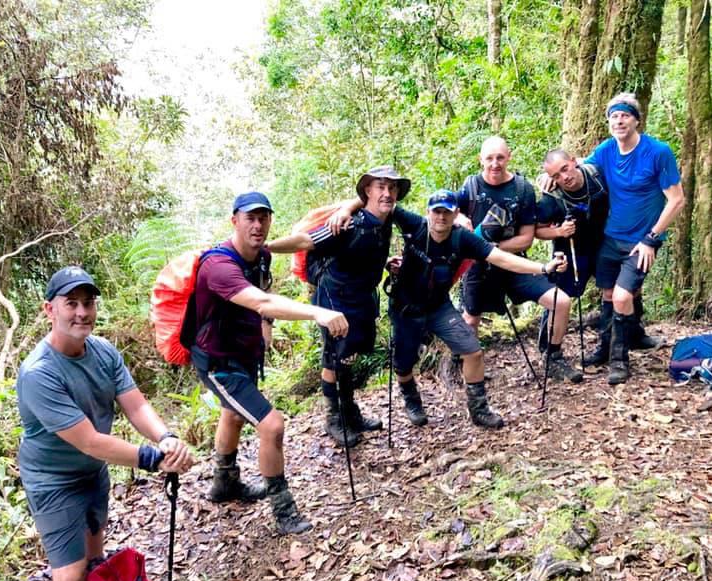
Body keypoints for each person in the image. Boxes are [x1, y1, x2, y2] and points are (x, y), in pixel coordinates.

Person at [17, 266, 195, 581]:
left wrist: (166, 438)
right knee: (68, 573)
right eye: (71, 304)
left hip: (92, 472)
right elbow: (88, 440)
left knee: (94, 561)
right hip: (52, 480)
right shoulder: (39, 373)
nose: (81, 312)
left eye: (88, 303)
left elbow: (136, 405)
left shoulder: (103, 352)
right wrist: (153, 458)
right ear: (49, 310)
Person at [184, 191, 349, 534]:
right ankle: (282, 507)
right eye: (250, 218)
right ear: (235, 221)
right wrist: (318, 312)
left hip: (244, 354)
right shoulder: (218, 266)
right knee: (271, 426)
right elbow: (261, 300)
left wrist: (266, 329)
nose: (258, 225)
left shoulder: (261, 256)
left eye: (263, 218)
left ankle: (224, 482)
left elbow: (262, 288)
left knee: (233, 415)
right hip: (218, 362)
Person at [387, 190, 568, 427]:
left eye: (447, 212)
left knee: (472, 351)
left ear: (456, 214)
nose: (441, 217)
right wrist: (348, 211)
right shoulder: (415, 226)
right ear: (428, 212)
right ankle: (411, 398)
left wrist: (543, 268)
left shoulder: (462, 238)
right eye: (437, 211)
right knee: (403, 364)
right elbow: (381, 205)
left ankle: (478, 408)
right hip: (405, 309)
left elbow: (501, 258)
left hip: (439, 307)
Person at [267, 166, 409, 447]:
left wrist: (386, 264)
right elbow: (306, 241)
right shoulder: (348, 224)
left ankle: (350, 412)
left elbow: (361, 255)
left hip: (362, 298)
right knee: (334, 357)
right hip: (335, 299)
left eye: (392, 188)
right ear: (367, 191)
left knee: (350, 356)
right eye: (380, 186)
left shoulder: (386, 220)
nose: (387, 193)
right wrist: (266, 247)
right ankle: (334, 418)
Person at [456, 136, 582, 383]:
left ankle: (553, 356)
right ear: (480, 159)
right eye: (489, 158)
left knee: (561, 301)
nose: (495, 164)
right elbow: (448, 210)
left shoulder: (522, 189)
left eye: (500, 157)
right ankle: (465, 364)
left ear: (509, 157)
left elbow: (526, 238)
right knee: (470, 317)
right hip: (479, 269)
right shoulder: (470, 187)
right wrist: (459, 217)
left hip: (515, 265)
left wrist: (491, 248)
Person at [581, 93, 684, 384]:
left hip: (642, 242)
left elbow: (676, 200)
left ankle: (619, 359)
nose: (619, 120)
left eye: (625, 115)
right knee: (607, 295)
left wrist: (652, 238)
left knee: (623, 296)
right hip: (611, 237)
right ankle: (607, 347)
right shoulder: (606, 150)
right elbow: (581, 169)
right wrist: (552, 175)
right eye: (614, 116)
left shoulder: (658, 152)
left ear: (636, 119)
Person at [536, 149, 662, 364]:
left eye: (565, 169)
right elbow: (537, 230)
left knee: (624, 290)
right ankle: (550, 351)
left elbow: (619, 165)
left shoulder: (597, 175)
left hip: (607, 243)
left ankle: (629, 336)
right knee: (562, 296)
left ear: (574, 162)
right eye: (556, 175)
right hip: (572, 251)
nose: (564, 177)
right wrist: (558, 232)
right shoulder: (552, 197)